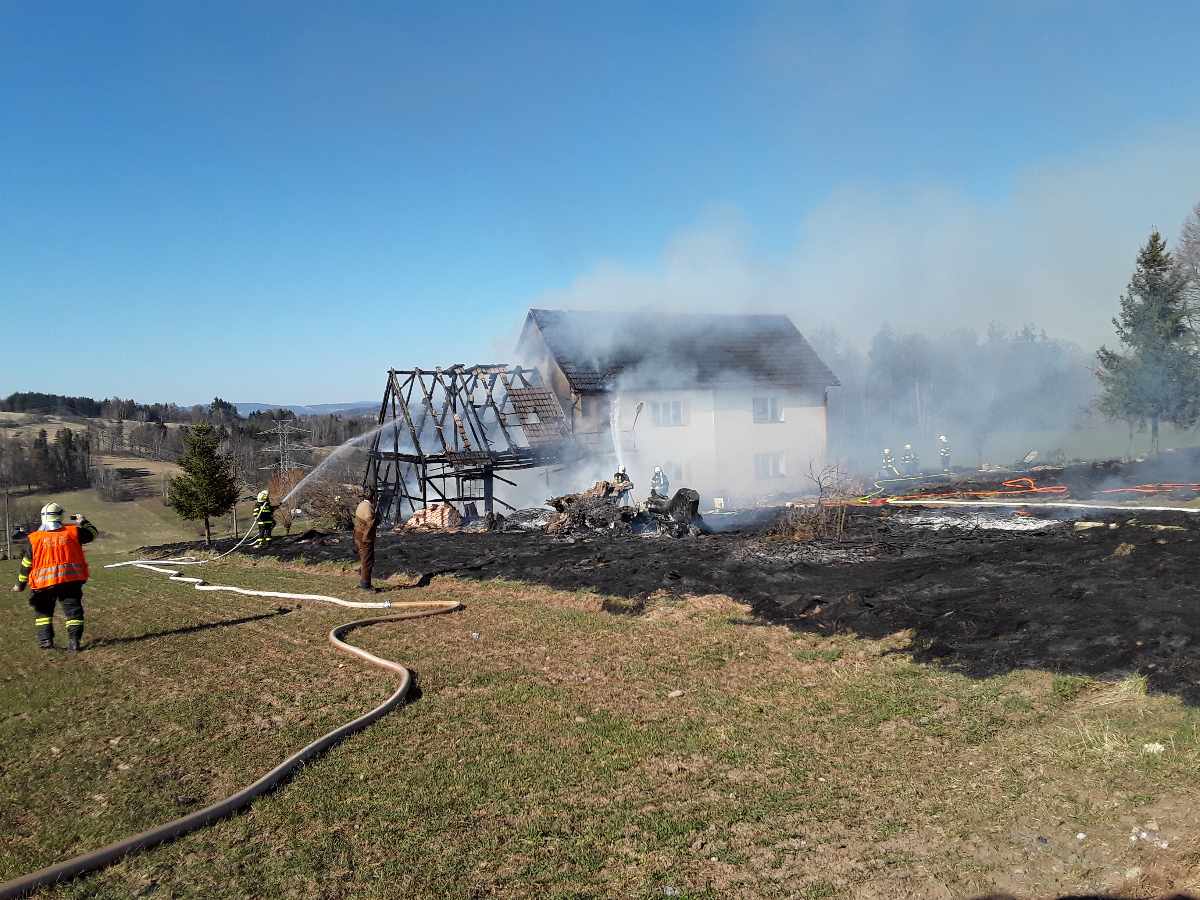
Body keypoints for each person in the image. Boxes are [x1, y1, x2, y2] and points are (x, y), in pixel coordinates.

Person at [11, 503, 98, 651]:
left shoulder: (34, 538)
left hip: (43, 583)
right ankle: (74, 642)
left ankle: (46, 641)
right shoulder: (73, 532)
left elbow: (26, 564)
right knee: (73, 611)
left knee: (43, 612)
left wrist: (20, 585)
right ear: (60, 516)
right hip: (69, 581)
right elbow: (93, 533)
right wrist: (83, 521)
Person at [353, 492, 378, 591]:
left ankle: (363, 580)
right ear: (373, 497)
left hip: (358, 536)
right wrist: (368, 539)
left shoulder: (361, 504)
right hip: (365, 538)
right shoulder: (368, 507)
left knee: (364, 560)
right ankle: (365, 585)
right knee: (368, 561)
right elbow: (370, 524)